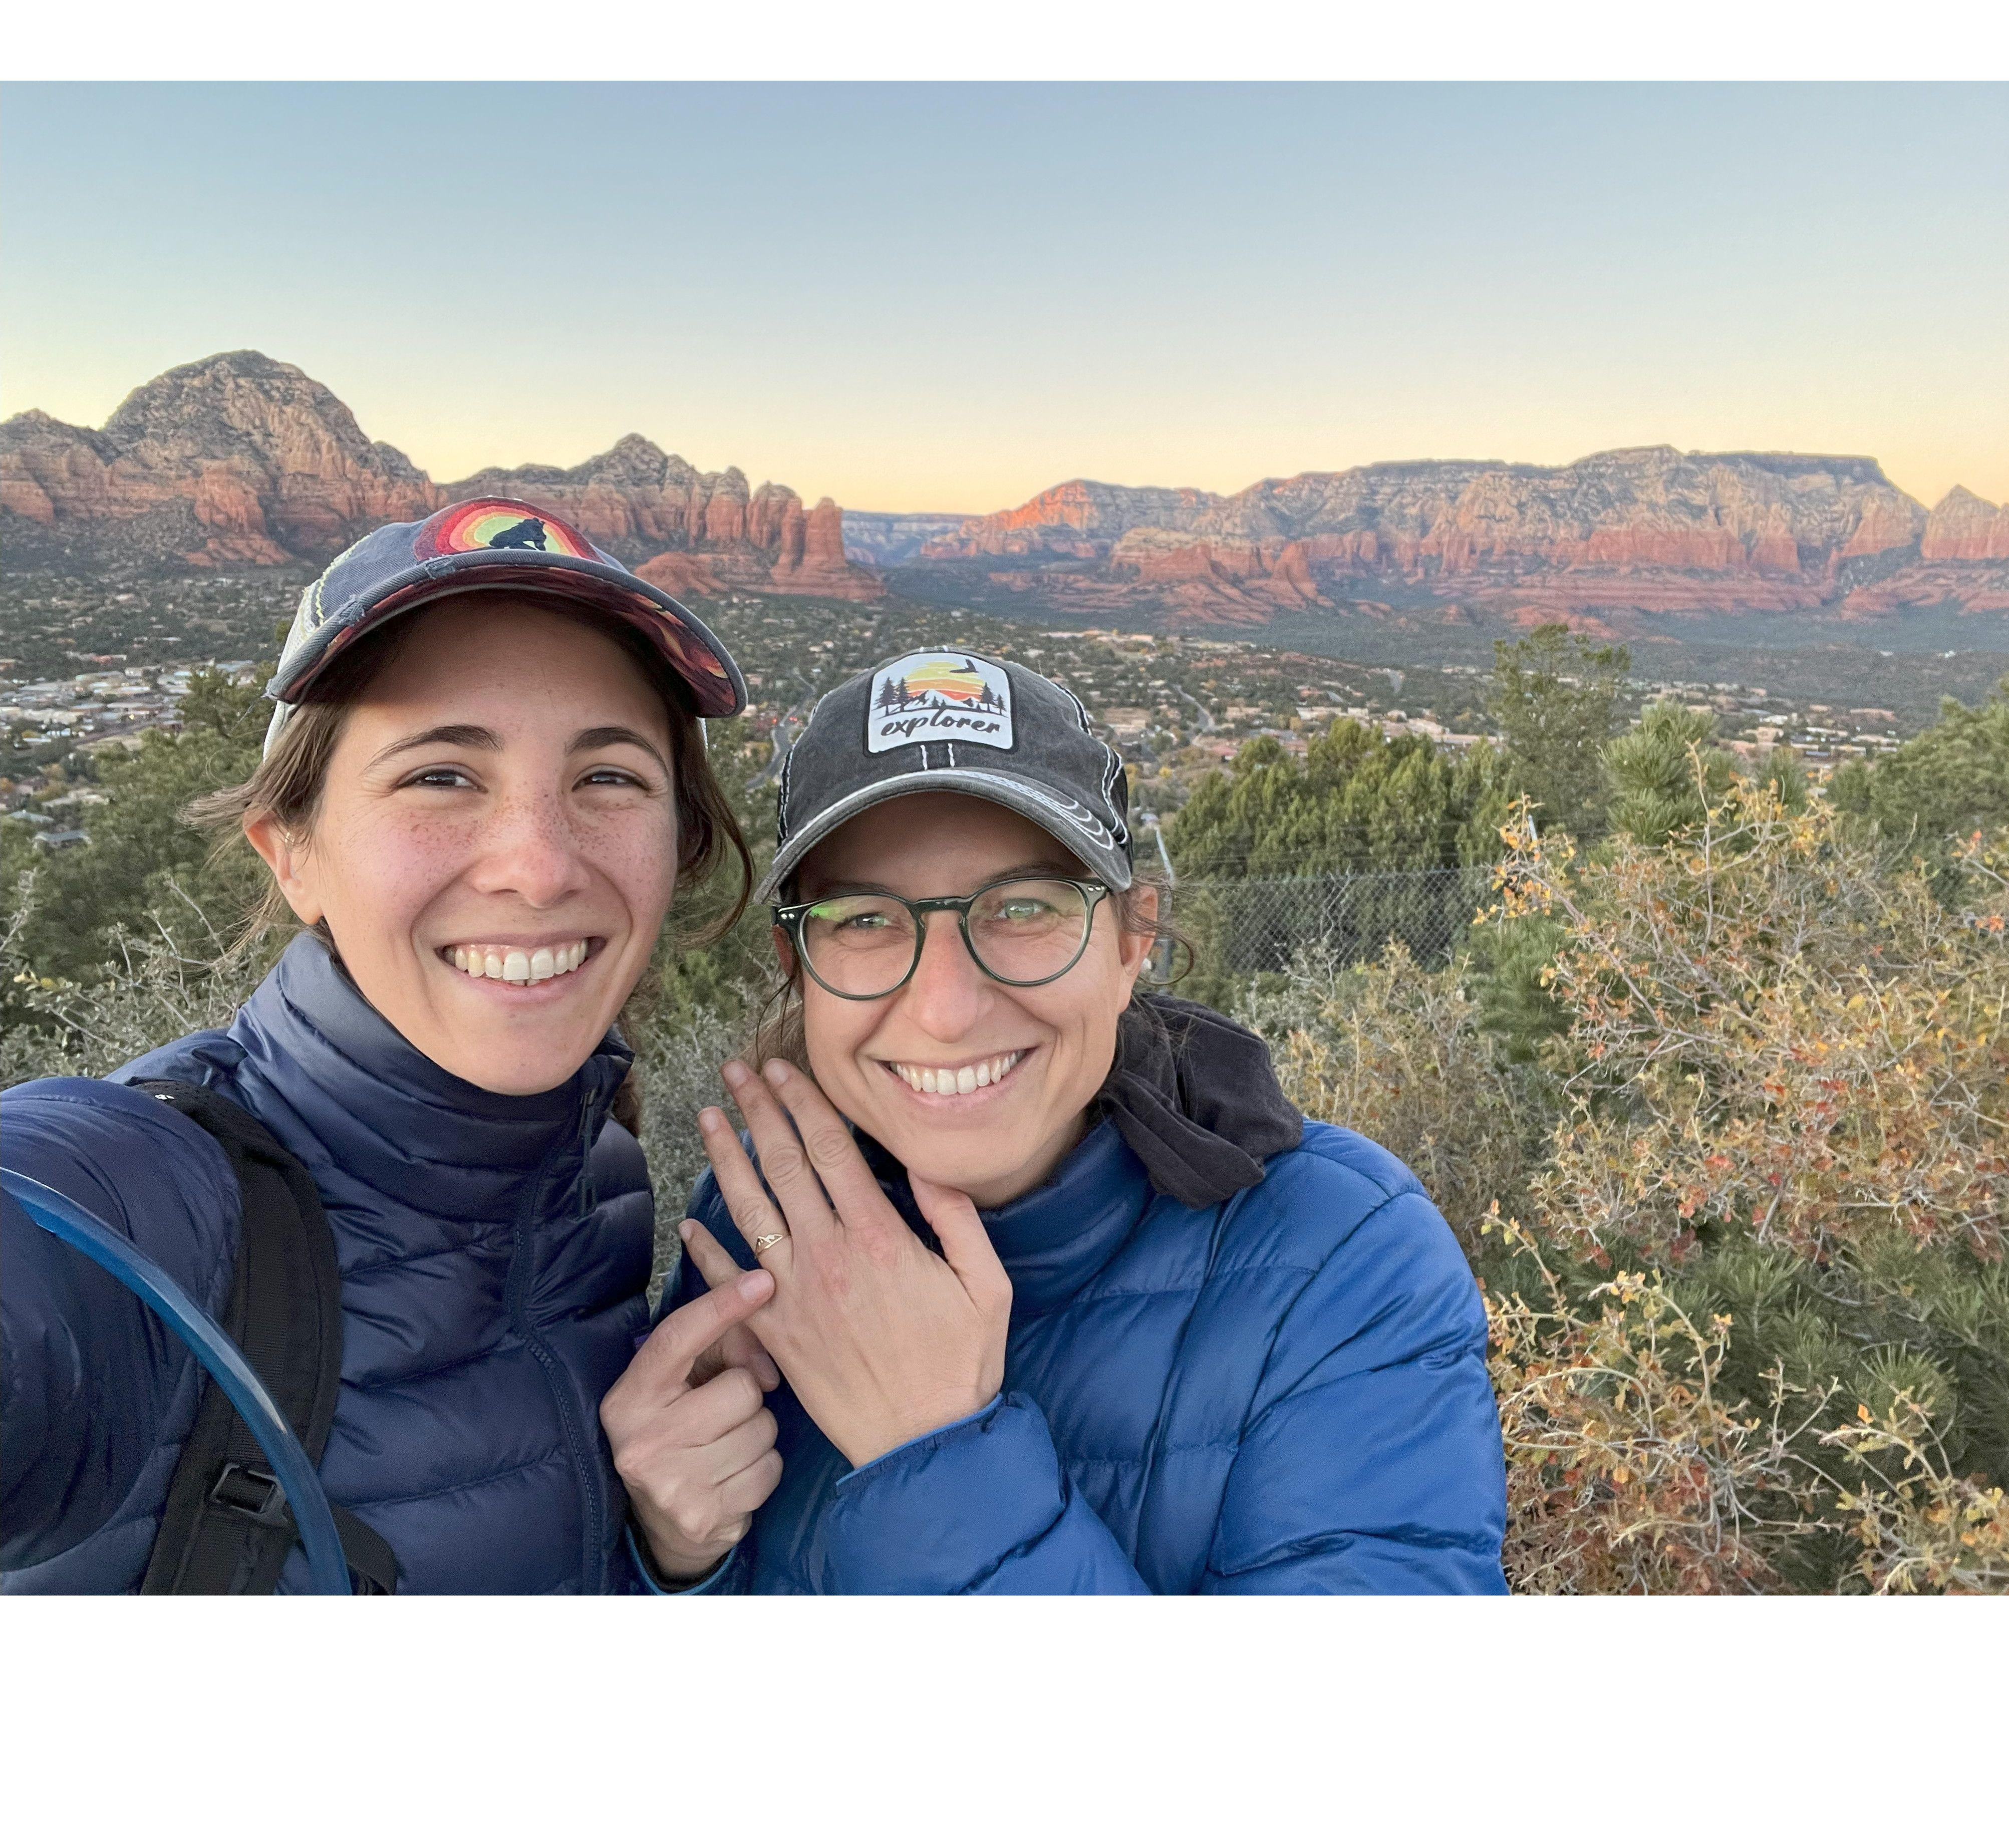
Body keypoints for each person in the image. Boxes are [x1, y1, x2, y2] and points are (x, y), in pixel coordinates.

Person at [1, 501, 781, 1594]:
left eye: (609, 777)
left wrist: (666, 1553)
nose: (540, 866)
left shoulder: (599, 1179)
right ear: (293, 854)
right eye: (440, 775)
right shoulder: (148, 1194)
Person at [608, 648, 1509, 1593]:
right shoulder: (764, 1212)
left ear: (1132, 941)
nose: (946, 1008)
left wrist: (935, 1451)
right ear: (799, 968)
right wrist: (677, 1557)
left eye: (1023, 907)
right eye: (866, 920)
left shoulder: (1343, 1261)